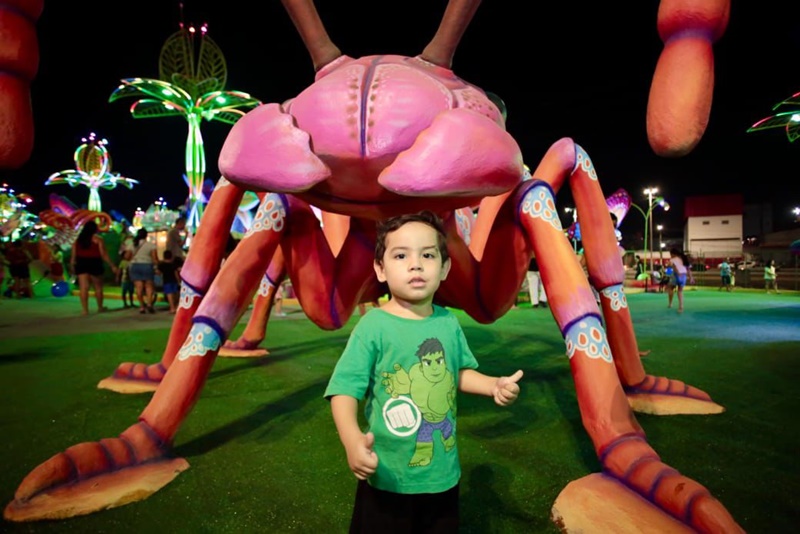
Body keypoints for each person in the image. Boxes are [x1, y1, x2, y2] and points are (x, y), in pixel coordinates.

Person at [324, 211, 523, 533]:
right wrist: (351, 439)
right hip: (387, 477)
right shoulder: (373, 326)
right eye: (401, 255)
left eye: (428, 255)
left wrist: (493, 385)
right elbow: (344, 388)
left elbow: (455, 373)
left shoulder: (446, 322)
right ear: (380, 268)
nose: (415, 264)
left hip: (442, 476)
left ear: (444, 268)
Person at [71, 221, 118, 315]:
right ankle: (100, 307)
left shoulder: (78, 240)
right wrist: (112, 265)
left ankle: (85, 310)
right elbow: (103, 254)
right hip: (94, 262)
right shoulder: (98, 239)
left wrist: (72, 265)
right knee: (98, 287)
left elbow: (73, 255)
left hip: (81, 262)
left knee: (83, 287)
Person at [129, 228, 159, 314]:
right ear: (146, 235)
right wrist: (157, 267)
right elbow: (154, 259)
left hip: (135, 265)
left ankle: (142, 306)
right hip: (147, 265)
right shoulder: (151, 245)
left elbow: (127, 256)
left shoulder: (133, 244)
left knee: (139, 288)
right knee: (149, 286)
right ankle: (149, 304)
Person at [666, 247, 694, 313]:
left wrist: (668, 274)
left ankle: (670, 304)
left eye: (671, 254)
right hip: (683, 276)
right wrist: (691, 278)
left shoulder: (672, 259)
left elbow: (672, 268)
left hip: (676, 275)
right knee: (680, 291)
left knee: (670, 288)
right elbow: (688, 270)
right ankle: (681, 306)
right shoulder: (684, 259)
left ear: (673, 254)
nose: (670, 255)